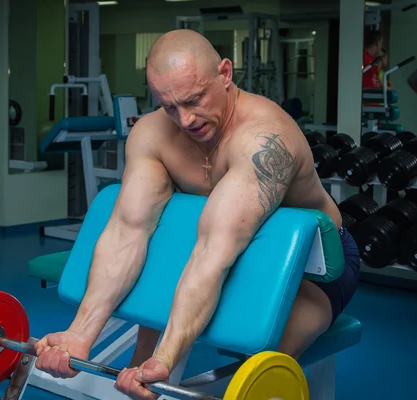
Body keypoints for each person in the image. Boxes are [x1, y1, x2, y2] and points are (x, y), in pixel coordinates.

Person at [34, 29, 361, 400]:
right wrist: (80, 334)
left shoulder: (264, 140)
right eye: (170, 106)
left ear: (225, 73)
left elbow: (214, 249)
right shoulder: (152, 134)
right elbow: (129, 230)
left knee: (255, 367)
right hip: (212, 249)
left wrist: (167, 357)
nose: (186, 120)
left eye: (194, 100)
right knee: (141, 376)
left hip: (312, 272)